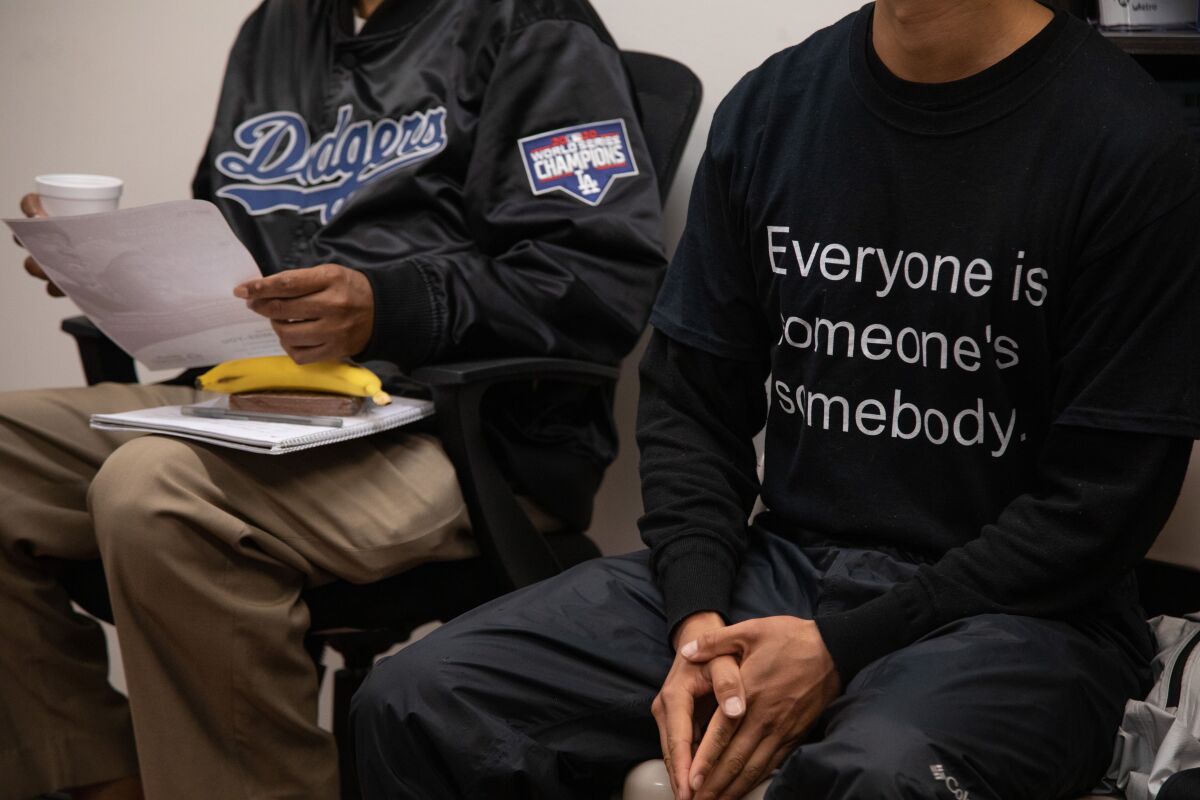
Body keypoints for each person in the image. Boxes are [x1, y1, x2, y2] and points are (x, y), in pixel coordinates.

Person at [350, 1, 1200, 798]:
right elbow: (691, 404)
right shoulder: (776, 107)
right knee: (420, 699)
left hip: (1022, 620)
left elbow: (1100, 507)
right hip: (785, 569)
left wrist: (840, 648)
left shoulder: (1131, 143)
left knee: (879, 775)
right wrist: (696, 620)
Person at [0, 0, 665, 798]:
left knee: (152, 487)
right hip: (252, 404)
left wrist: (392, 307)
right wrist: (110, 268)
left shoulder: (532, 23)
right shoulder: (275, 27)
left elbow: (599, 282)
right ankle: (108, 782)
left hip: (450, 434)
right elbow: (232, 254)